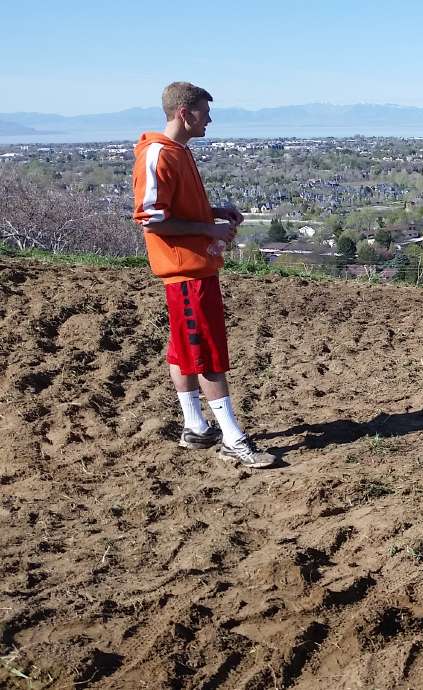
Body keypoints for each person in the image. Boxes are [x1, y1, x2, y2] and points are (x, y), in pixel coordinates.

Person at [131, 81, 275, 469]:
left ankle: (195, 426)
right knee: (209, 354)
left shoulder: (178, 152)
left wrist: (213, 212)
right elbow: (152, 222)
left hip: (192, 270)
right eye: (204, 112)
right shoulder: (159, 154)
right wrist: (208, 231)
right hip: (186, 273)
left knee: (185, 349)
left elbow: (178, 209)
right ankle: (233, 437)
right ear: (184, 113)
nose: (210, 119)